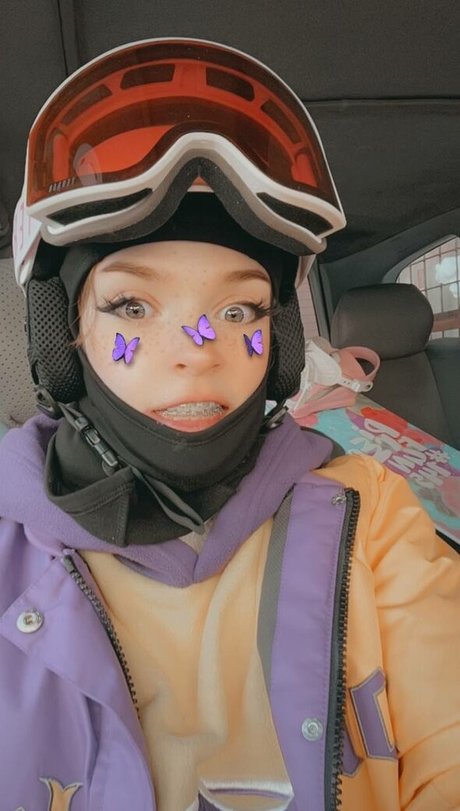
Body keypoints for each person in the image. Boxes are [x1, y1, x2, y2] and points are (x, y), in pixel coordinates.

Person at [1, 38, 459, 811]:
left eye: (240, 310)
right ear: (63, 336)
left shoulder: (370, 508)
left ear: (280, 342)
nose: (197, 352)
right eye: (132, 305)